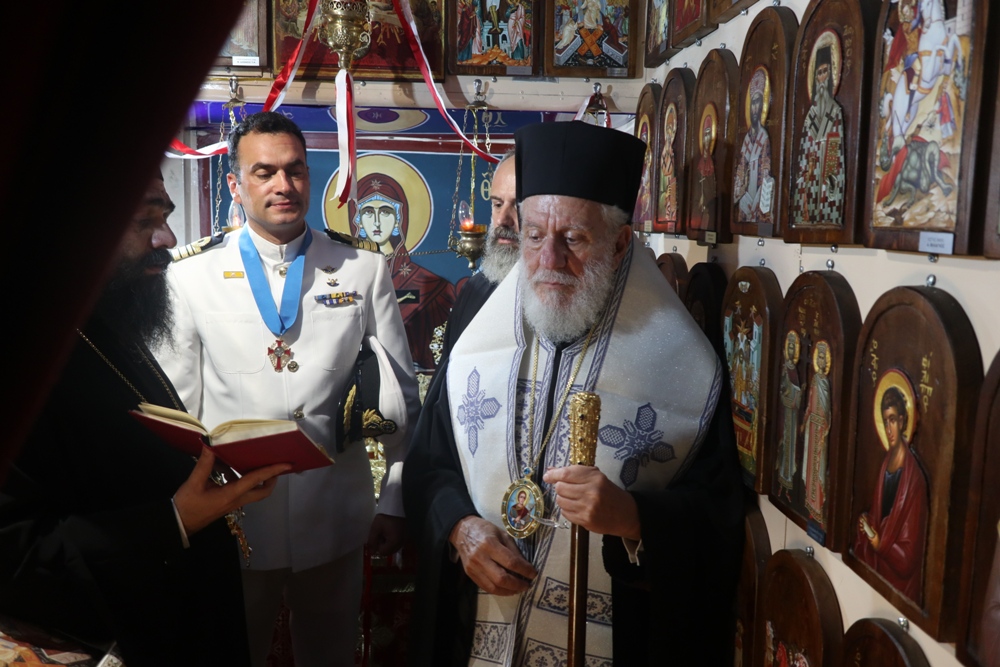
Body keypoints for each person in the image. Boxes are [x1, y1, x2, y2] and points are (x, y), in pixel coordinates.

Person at [403, 121, 745, 666]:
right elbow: (430, 463)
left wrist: (634, 517)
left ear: (620, 242)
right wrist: (460, 529)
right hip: (479, 630)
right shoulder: (478, 330)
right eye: (535, 235)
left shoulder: (683, 363)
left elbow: (718, 518)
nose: (549, 260)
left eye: (574, 239)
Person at [156, 112, 419, 667]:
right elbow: (179, 405)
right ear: (236, 185)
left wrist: (394, 499)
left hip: (335, 512)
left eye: (295, 170)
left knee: (330, 656)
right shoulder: (190, 275)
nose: (284, 185)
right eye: (265, 172)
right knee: (230, 653)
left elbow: (401, 396)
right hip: (235, 517)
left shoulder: (362, 268)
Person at [0, 173, 289, 666]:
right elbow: (17, 556)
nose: (168, 239)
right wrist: (174, 520)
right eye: (144, 222)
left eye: (166, 217)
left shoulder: (103, 321)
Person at [351, 171, 456, 372]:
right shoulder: (345, 279)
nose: (377, 222)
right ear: (358, 220)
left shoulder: (434, 287)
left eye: (385, 212)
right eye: (368, 212)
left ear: (399, 218)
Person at [853, 385, 928, 603]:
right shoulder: (886, 463)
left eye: (893, 420)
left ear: (903, 421)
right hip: (879, 573)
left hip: (900, 584)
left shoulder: (914, 480)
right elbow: (881, 517)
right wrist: (868, 523)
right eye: (885, 421)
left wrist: (880, 544)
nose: (888, 429)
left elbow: (909, 557)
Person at [791, 40, 845, 226]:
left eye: (825, 71)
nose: (822, 77)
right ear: (815, 78)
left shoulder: (835, 111)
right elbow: (803, 153)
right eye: (819, 73)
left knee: (825, 208)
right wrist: (806, 169)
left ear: (831, 74)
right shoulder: (810, 116)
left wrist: (828, 173)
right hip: (811, 178)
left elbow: (835, 151)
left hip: (827, 176)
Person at [733, 67, 773, 226]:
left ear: (762, 104)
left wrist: (756, 203)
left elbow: (766, 175)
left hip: (758, 202)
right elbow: (741, 172)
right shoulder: (746, 140)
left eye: (758, 102)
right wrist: (741, 197)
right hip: (746, 201)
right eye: (752, 103)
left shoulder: (764, 138)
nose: (755, 108)